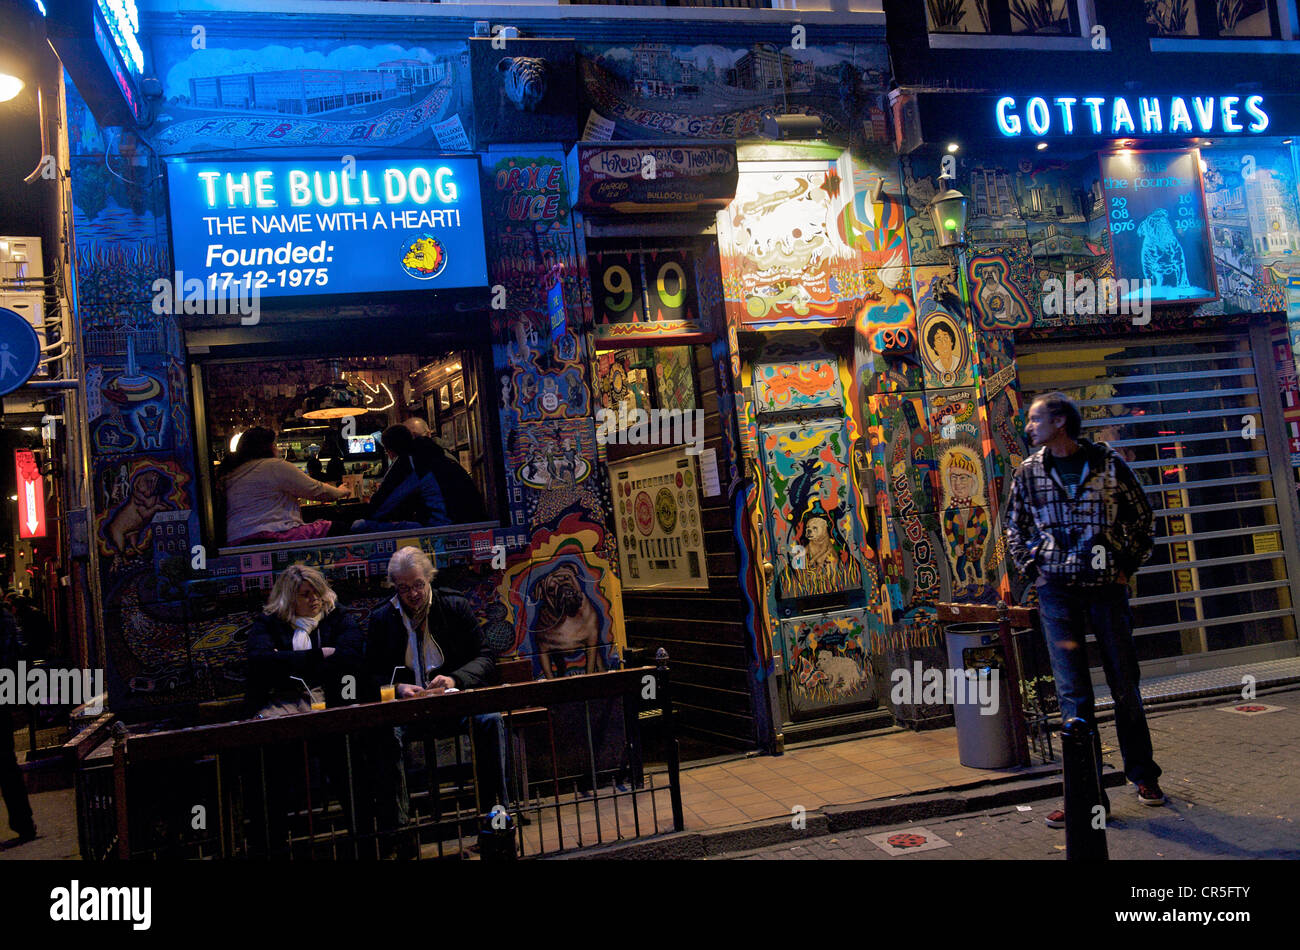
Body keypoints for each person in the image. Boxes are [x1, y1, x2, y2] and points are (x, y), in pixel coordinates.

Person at [1005, 391, 1163, 829]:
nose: (1028, 426)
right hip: (1057, 591)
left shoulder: (1108, 464)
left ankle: (1144, 776)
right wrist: (1035, 567)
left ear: (1060, 422)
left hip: (1105, 591)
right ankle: (1087, 796)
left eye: (1035, 419)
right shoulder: (1029, 472)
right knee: (1074, 695)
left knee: (1123, 684)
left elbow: (1142, 517)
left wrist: (1124, 566)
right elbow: (1013, 526)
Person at [365, 547, 508, 854]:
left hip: (450, 704)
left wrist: (454, 679)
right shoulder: (382, 618)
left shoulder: (453, 606)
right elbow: (368, 676)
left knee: (490, 721)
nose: (413, 594)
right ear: (394, 586)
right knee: (384, 737)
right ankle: (399, 835)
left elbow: (485, 657)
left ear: (428, 579)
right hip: (406, 712)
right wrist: (397, 688)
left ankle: (495, 823)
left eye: (418, 584)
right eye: (403, 588)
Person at [245, 564, 365, 715]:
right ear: (289, 599)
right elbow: (259, 662)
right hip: (281, 696)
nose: (314, 599)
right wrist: (320, 654)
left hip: (329, 692)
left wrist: (284, 659)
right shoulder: (270, 622)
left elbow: (350, 656)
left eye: (317, 592)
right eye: (305, 594)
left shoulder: (337, 615)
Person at [220, 427, 351, 546]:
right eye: (274, 445)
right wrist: (341, 491)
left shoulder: (233, 473)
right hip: (273, 535)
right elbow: (317, 490)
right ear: (268, 447)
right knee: (338, 528)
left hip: (236, 540)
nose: (276, 449)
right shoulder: (273, 466)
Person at [350, 424, 450, 533]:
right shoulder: (433, 453)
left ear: (390, 450)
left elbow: (378, 508)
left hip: (438, 527)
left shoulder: (408, 462)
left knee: (359, 525)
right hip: (459, 520)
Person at [403, 417, 488, 524]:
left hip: (451, 526)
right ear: (429, 434)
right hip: (471, 523)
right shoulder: (446, 457)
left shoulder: (418, 464)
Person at [0, 603, 36, 844]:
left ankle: (23, 821)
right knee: (6, 764)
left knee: (6, 764)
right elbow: (14, 659)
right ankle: (23, 822)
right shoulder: (5, 619)